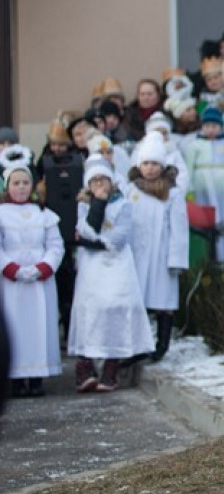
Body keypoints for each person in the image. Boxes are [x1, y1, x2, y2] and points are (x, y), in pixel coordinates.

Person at [67, 158, 154, 392]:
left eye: (103, 179)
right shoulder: (84, 204)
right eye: (94, 180)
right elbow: (86, 229)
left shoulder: (123, 204)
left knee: (116, 307)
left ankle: (111, 365)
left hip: (117, 264)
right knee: (90, 309)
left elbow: (119, 237)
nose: (99, 184)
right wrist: (98, 203)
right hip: (91, 267)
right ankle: (85, 365)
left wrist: (94, 242)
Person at [0, 145, 64, 398]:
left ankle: (37, 376)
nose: (21, 187)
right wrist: (11, 269)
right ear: (7, 186)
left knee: (40, 325)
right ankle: (16, 378)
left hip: (40, 281)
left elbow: (55, 245)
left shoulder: (45, 214)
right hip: (11, 282)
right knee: (15, 325)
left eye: (26, 182)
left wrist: (43, 267)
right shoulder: (1, 214)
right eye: (16, 183)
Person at [126, 133, 189, 361]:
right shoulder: (130, 191)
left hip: (162, 256)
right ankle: (138, 346)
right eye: (146, 163)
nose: (150, 169)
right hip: (137, 254)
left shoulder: (171, 193)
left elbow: (179, 229)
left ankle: (162, 344)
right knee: (138, 301)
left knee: (163, 300)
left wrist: (177, 259)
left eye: (154, 164)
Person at [35, 119, 83, 333]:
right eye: (54, 144)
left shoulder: (77, 161)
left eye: (61, 145)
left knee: (70, 280)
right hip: (53, 225)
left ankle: (70, 322)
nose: (57, 149)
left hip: (72, 226)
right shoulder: (43, 163)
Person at [183, 107, 224, 262]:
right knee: (206, 218)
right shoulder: (194, 145)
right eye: (207, 126)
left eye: (214, 126)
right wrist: (189, 190)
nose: (210, 130)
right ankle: (207, 257)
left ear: (220, 127)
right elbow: (188, 169)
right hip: (202, 187)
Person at [124, 79, 164, 143]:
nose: (146, 97)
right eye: (142, 94)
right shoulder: (129, 114)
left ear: (158, 96)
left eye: (149, 94)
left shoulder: (166, 112)